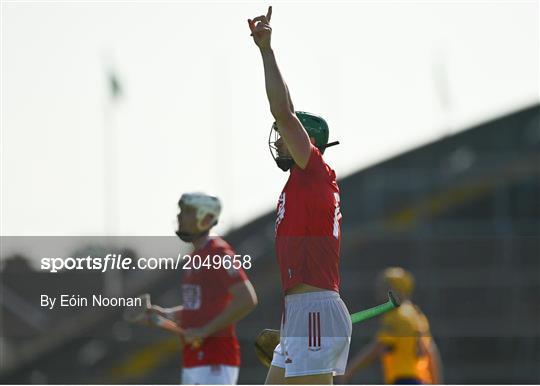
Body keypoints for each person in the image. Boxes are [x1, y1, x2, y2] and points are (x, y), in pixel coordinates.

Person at [248, 7, 351, 384]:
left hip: (313, 311)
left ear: (305, 142)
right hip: (299, 310)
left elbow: (282, 109)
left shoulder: (313, 169)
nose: (278, 141)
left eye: (285, 136)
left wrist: (266, 51)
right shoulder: (302, 180)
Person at [149, 192, 258, 384]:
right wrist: (167, 314)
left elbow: (247, 299)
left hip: (215, 359)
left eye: (188, 212)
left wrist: (205, 331)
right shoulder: (194, 256)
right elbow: (198, 308)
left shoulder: (217, 252)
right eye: (181, 211)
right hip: (194, 359)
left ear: (206, 218)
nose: (180, 217)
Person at [341, 267, 443, 384]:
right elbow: (431, 352)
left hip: (403, 380)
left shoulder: (396, 315)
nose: (379, 291)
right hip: (420, 380)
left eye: (386, 287)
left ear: (397, 290)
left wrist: (350, 370)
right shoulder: (417, 315)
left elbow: (377, 348)